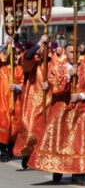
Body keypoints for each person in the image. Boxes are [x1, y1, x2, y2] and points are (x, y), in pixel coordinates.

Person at [27, 43, 85, 185]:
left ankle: (78, 175)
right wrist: (68, 76)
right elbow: (55, 88)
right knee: (60, 141)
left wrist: (82, 96)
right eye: (70, 52)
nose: (73, 54)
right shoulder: (58, 68)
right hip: (61, 110)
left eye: (76, 51)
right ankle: (57, 168)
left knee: (79, 143)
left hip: (80, 113)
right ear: (65, 52)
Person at [13, 35, 52, 169]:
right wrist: (39, 42)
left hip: (49, 102)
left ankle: (40, 158)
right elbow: (27, 57)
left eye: (44, 46)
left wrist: (51, 86)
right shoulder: (32, 62)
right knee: (30, 130)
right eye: (40, 47)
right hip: (33, 103)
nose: (42, 49)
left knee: (46, 132)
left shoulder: (54, 63)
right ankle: (27, 153)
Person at [0, 39, 23, 162]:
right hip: (2, 102)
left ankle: (10, 149)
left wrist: (17, 87)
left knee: (14, 127)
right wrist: (5, 45)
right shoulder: (1, 67)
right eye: (8, 53)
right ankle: (3, 151)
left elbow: (24, 84)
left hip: (15, 102)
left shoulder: (19, 69)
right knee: (3, 125)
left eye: (13, 53)